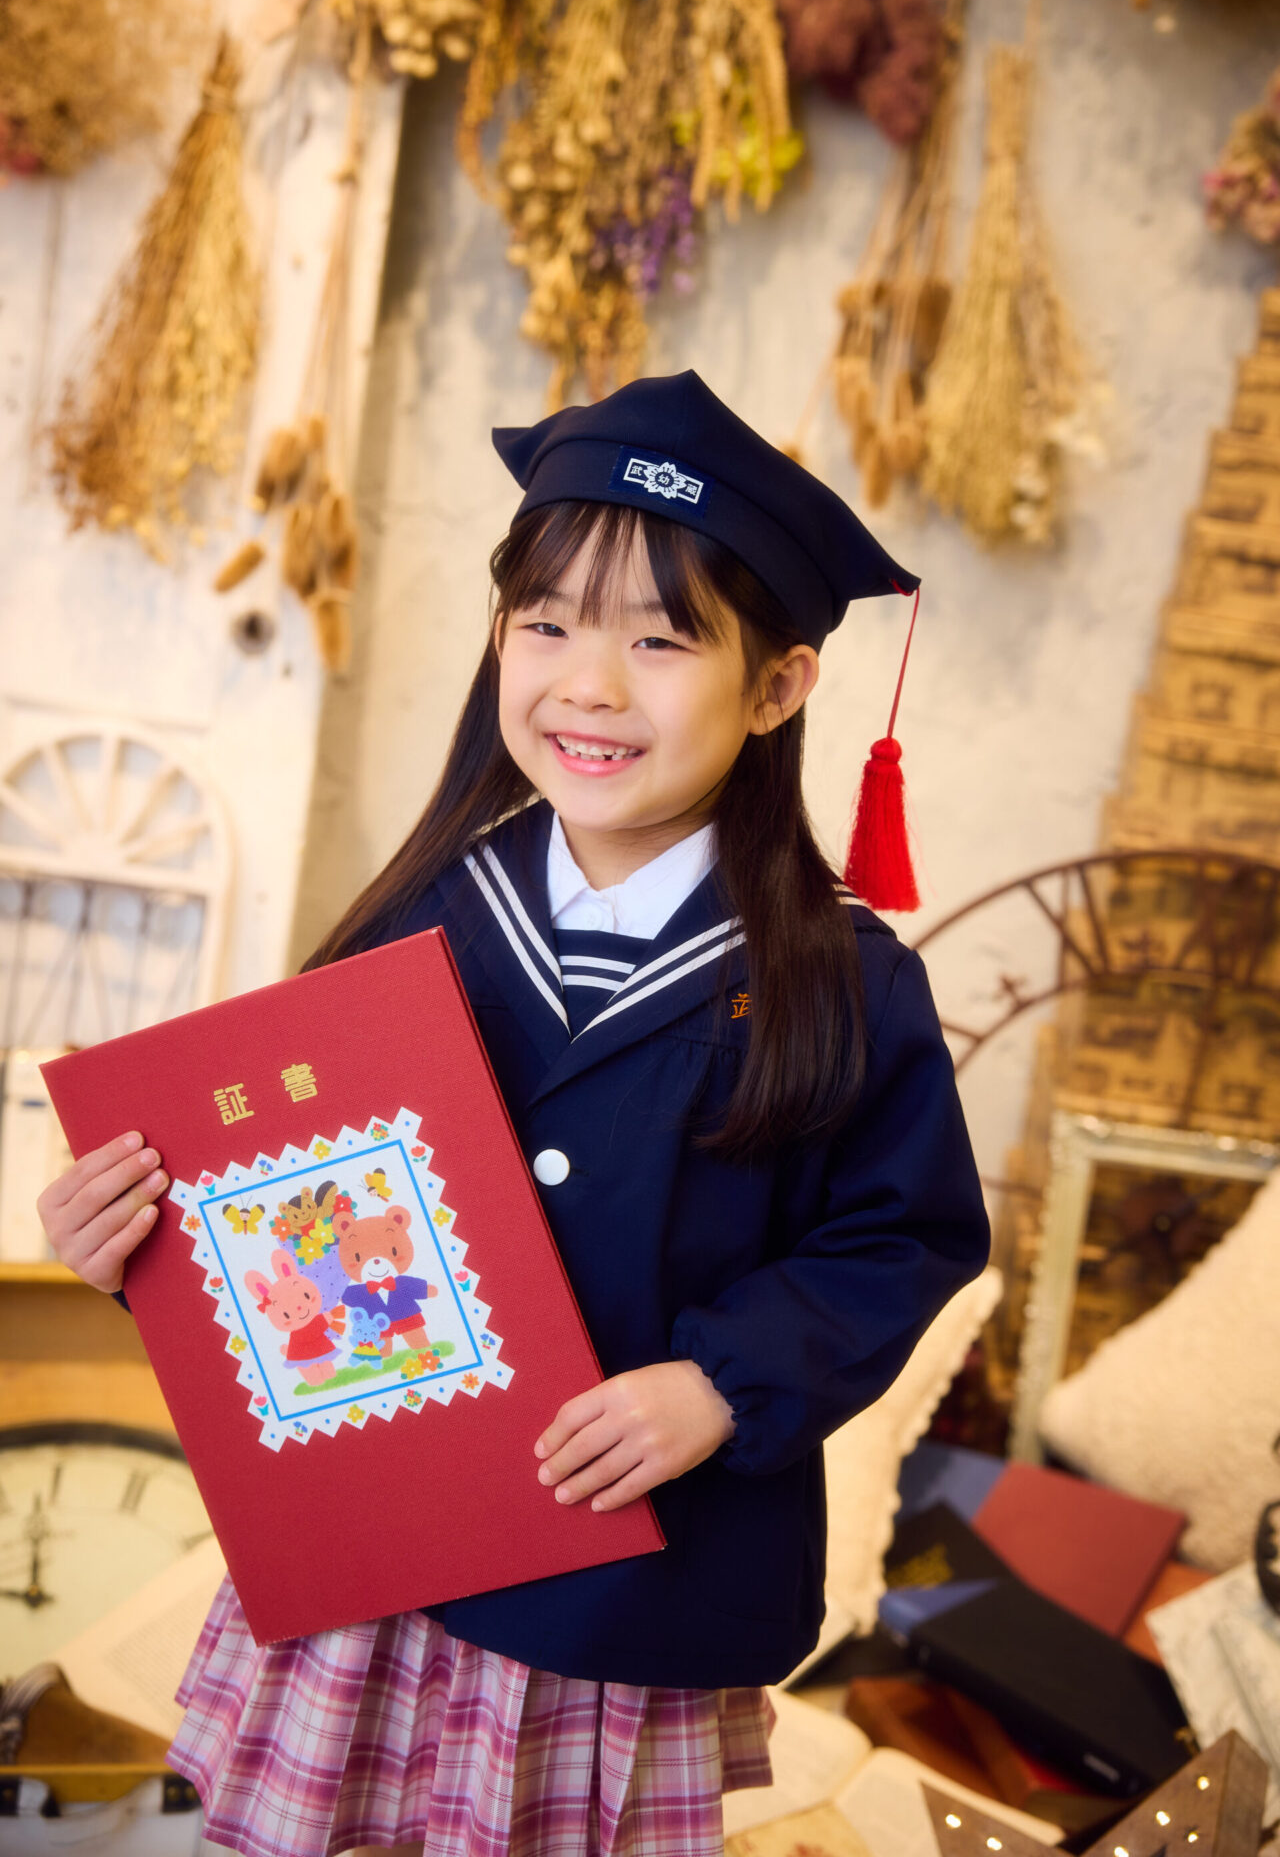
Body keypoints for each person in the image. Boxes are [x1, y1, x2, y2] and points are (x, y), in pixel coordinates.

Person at [35, 371, 990, 1857]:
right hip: (378, 1569)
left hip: (626, 1597)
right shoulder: (419, 916)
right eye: (545, 625)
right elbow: (293, 1210)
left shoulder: (842, 985)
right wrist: (135, 1241)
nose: (588, 686)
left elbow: (901, 1240)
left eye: (660, 641)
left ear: (779, 688)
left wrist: (721, 1383)